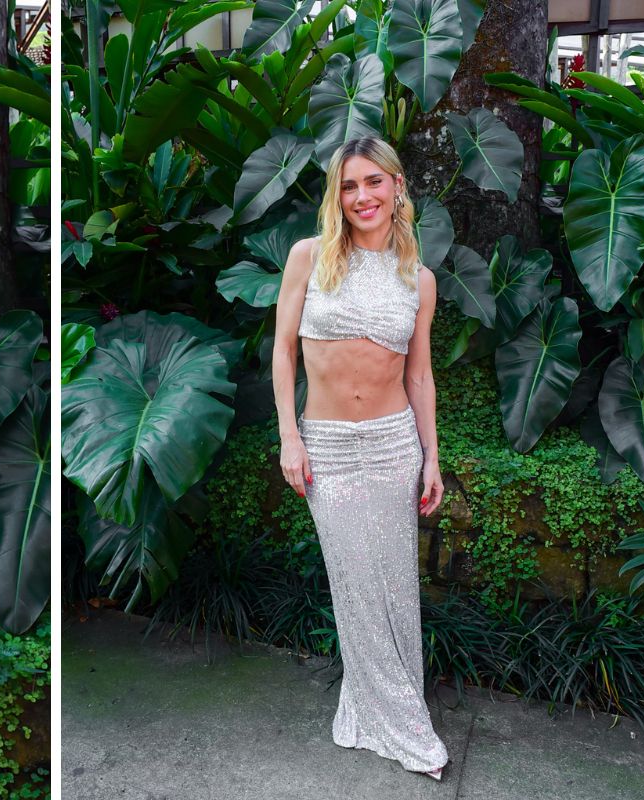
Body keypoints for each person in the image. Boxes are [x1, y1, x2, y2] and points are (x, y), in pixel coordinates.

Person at [272, 136, 449, 780]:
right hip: (329, 447)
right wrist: (289, 436)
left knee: (395, 585)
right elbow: (283, 351)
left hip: (394, 443)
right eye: (349, 185)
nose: (362, 196)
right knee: (353, 583)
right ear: (336, 196)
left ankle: (386, 704)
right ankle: (396, 718)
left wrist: (431, 456)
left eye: (374, 181)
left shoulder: (418, 279)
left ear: (397, 187)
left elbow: (420, 374)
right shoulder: (309, 256)